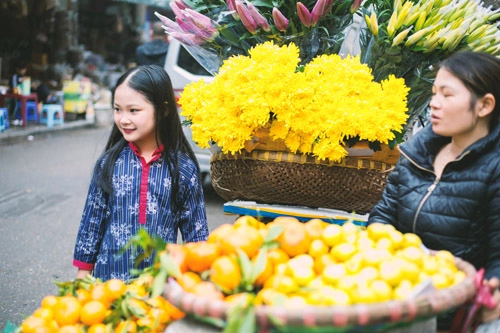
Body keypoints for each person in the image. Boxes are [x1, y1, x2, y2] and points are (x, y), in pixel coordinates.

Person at [368, 51, 500, 331]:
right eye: (433, 93)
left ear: (485, 105)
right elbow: (382, 216)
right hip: (394, 295)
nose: (433, 104)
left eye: (447, 95)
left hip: (456, 310)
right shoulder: (417, 153)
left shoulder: (495, 168)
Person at [73, 65, 209, 282]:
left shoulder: (182, 169)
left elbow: (197, 232)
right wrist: (82, 276)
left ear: (163, 110)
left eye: (133, 110)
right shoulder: (109, 163)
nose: (123, 119)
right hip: (109, 285)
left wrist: (201, 278)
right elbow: (92, 222)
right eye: (118, 109)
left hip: (161, 285)